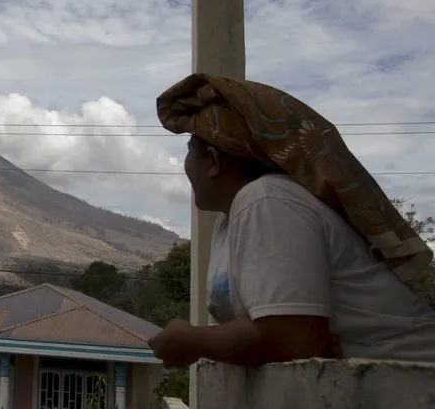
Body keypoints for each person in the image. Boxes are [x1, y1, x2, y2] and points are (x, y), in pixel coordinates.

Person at [147, 73, 435, 368]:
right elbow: (278, 335)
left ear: (212, 161)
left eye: (188, 153)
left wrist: (190, 339)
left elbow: (289, 339)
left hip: (414, 393)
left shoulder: (267, 200)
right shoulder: (229, 220)